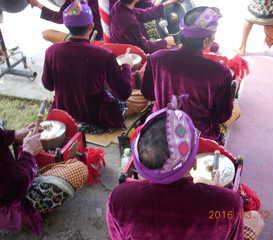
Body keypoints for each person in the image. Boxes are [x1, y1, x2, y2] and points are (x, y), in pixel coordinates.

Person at [106, 95, 264, 240]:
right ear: (194, 162)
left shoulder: (119, 198)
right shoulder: (229, 203)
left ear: (140, 165)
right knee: (255, 219)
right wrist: (216, 194)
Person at [141, 6, 233, 143]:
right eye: (213, 36)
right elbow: (222, 116)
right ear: (205, 42)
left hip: (159, 125)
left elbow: (148, 94)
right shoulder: (220, 73)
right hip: (195, 134)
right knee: (235, 111)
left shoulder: (156, 57)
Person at [42, 0, 134, 134]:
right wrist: (126, 66)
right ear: (91, 26)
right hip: (96, 117)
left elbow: (48, 84)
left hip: (65, 113)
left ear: (67, 25)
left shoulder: (52, 51)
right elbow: (124, 93)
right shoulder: (104, 55)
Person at [0, 123, 88, 237]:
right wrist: (27, 154)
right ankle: (31, 212)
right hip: (11, 205)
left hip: (11, 181)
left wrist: (13, 135)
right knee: (78, 168)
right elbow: (16, 187)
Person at [110, 0, 177, 54]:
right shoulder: (130, 23)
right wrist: (165, 41)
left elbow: (144, 14)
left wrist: (168, 2)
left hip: (130, 43)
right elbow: (145, 47)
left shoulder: (119, 5)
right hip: (129, 54)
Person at [28, 0, 103, 42]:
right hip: (96, 36)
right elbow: (62, 17)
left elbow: (61, 18)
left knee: (46, 34)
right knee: (46, 33)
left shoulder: (77, 3)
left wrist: (38, 5)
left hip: (92, 39)